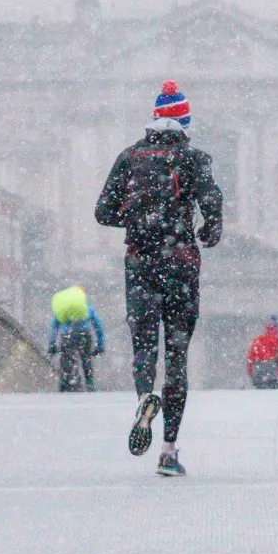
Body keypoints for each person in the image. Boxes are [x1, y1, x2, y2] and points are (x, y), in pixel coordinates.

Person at [94, 79, 223, 478]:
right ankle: (168, 451)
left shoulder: (130, 157)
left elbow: (102, 211)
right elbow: (212, 202)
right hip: (181, 264)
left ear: (153, 120)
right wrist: (208, 228)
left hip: (140, 264)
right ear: (184, 122)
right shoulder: (193, 158)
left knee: (144, 345)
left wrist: (134, 221)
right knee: (177, 356)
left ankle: (144, 396)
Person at [48, 285, 105, 391]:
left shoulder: (64, 309)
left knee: (67, 361)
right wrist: (100, 344)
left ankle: (66, 384)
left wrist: (52, 344)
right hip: (84, 334)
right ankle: (89, 384)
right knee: (86, 360)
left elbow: (54, 327)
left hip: (67, 336)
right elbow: (98, 326)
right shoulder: (86, 309)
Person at [245, 316, 278, 389]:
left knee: (259, 399)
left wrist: (251, 374)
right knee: (276, 399)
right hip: (276, 379)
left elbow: (250, 360)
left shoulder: (258, 341)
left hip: (260, 379)